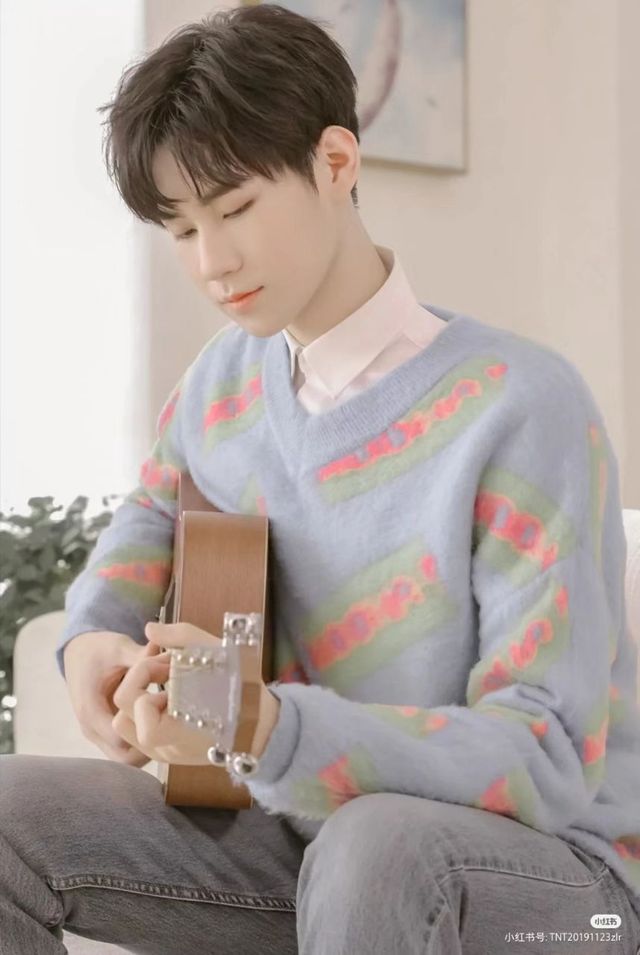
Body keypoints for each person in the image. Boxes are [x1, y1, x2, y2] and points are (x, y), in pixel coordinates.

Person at [1, 4, 639, 953]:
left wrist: (271, 727)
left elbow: (542, 760)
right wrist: (93, 643)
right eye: (180, 229)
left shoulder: (522, 405)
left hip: (561, 877)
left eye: (235, 210)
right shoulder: (220, 386)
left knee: (373, 844)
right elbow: (139, 537)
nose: (212, 262)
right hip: (311, 847)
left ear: (337, 163)